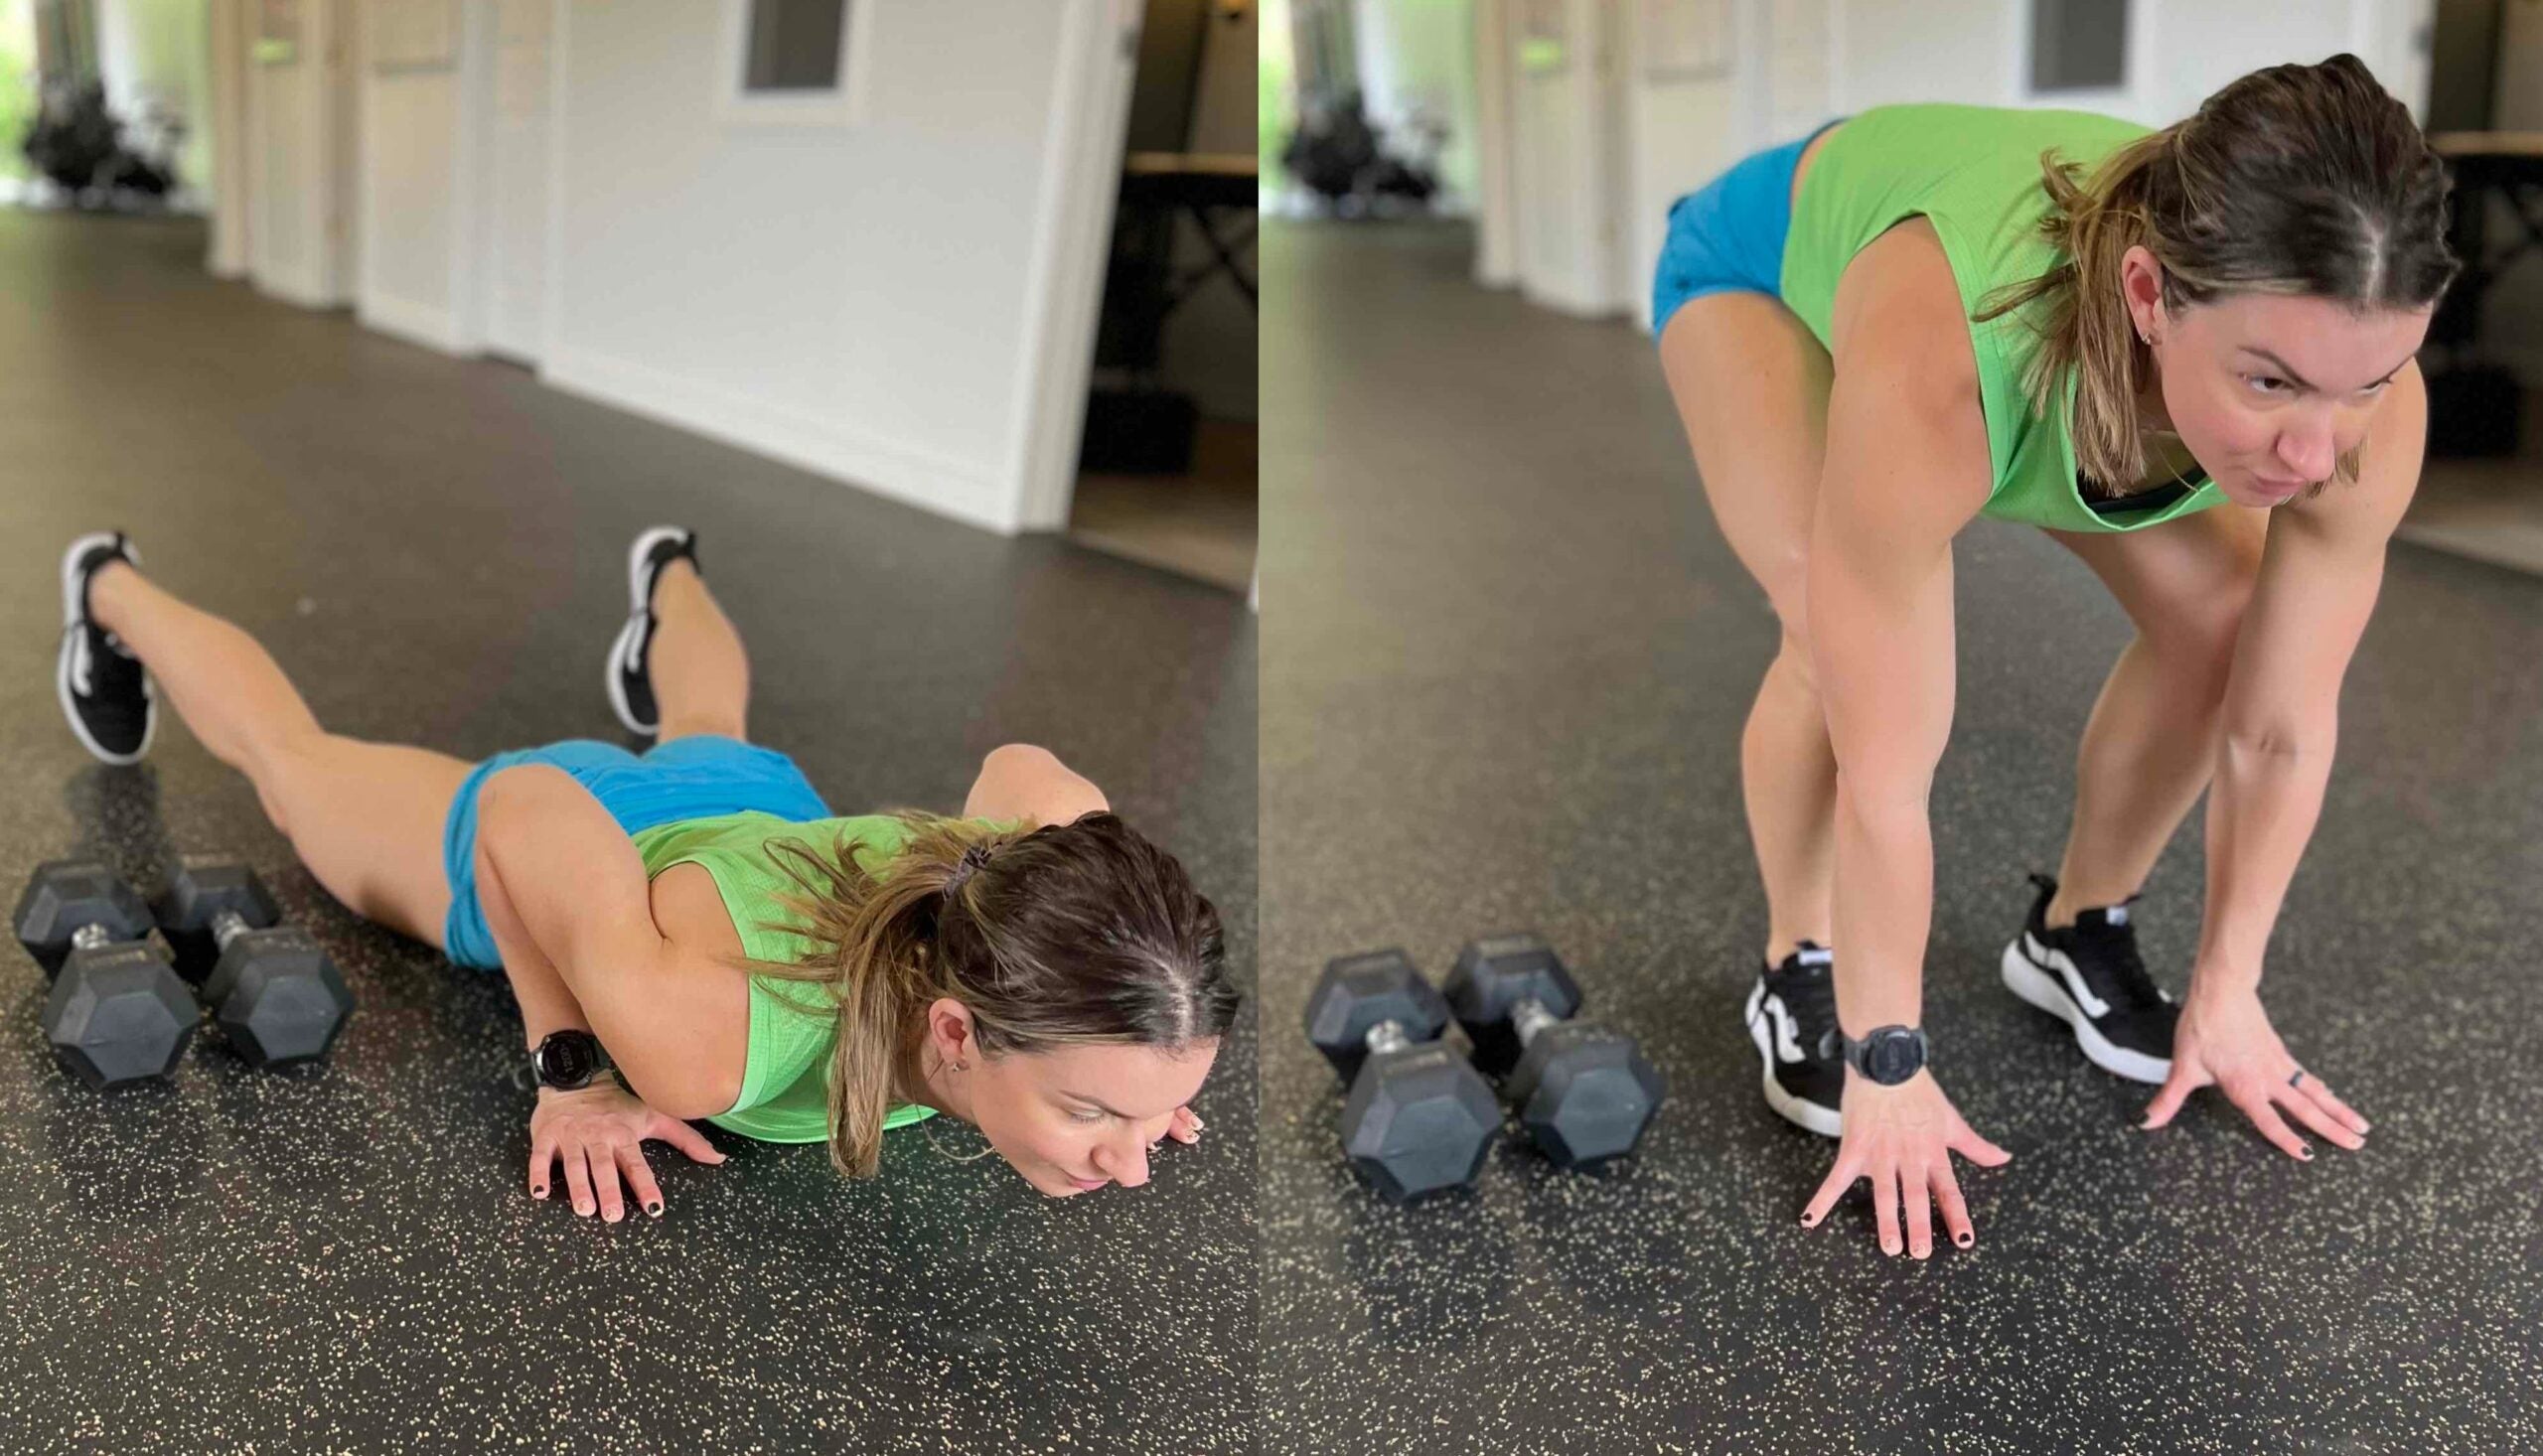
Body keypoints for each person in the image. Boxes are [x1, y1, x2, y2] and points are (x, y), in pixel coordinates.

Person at [1652, 55, 2456, 1257]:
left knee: (2225, 624)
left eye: (2364, 384)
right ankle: (1796, 958)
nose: (2309, 449)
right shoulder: (1949, 362)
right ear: (2147, 291)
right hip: (1760, 275)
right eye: (2269, 381)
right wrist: (1888, 1053)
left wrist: (2229, 987)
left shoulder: (2354, 410)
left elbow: (2279, 721)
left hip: (2046, 338)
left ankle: (2073, 928)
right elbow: (1892, 770)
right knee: (1833, 634)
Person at [53, 523, 1237, 1220]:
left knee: (709, 711)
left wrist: (1122, 1046)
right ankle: (106, 583)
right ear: (957, 1030)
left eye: (1139, 1116)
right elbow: (524, 818)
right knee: (292, 760)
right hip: (588, 844)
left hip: (754, 815)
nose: (1132, 1164)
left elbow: (1031, 770)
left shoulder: (1030, 893)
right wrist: (573, 1068)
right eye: (1094, 1114)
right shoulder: (703, 1035)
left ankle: (668, 565)